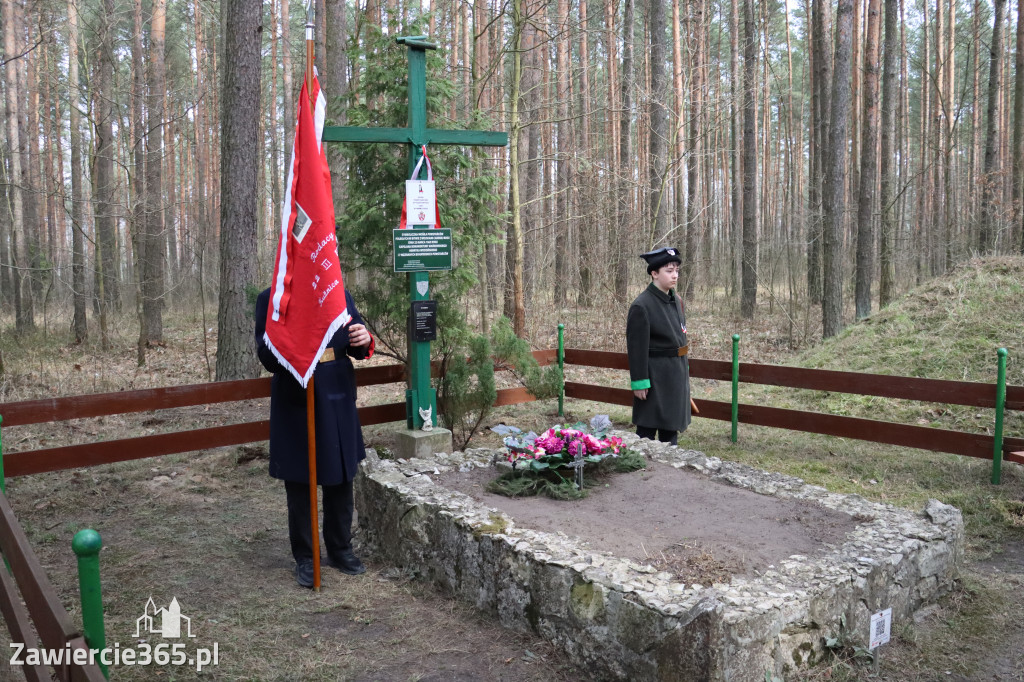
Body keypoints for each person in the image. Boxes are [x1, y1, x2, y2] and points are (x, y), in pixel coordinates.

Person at [254, 286, 375, 588]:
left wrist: (363, 338)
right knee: (300, 482)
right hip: (296, 394)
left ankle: (340, 548)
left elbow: (358, 345)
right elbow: (266, 355)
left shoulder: (338, 292)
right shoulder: (271, 299)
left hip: (336, 390)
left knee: (341, 477)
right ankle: (307, 558)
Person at [626, 247, 691, 446]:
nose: (675, 275)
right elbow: (636, 348)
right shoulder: (642, 306)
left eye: (676, 270)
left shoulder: (676, 301)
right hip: (654, 378)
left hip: (676, 374)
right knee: (646, 431)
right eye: (669, 271)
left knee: (670, 432)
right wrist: (640, 382)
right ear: (654, 273)